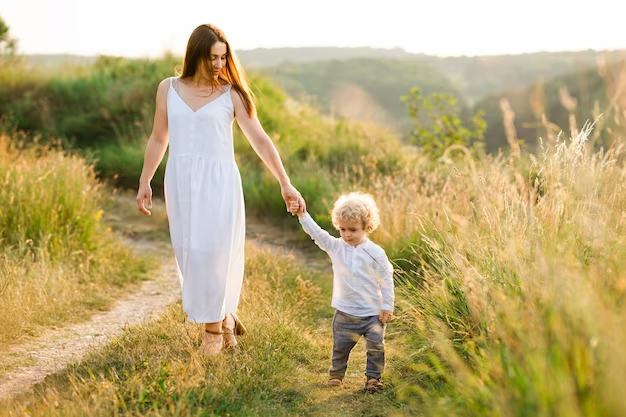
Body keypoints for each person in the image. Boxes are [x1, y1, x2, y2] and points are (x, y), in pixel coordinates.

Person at [136, 24, 305, 357]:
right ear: (195, 54)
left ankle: (212, 333)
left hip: (220, 183)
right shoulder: (167, 89)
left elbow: (260, 139)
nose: (218, 63)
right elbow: (159, 138)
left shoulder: (232, 94)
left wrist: (285, 183)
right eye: (212, 56)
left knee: (215, 253)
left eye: (223, 57)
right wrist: (145, 181)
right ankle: (226, 317)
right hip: (180, 181)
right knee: (190, 254)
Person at [289, 191, 394, 393]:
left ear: (367, 227)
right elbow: (317, 233)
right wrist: (302, 214)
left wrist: (387, 306)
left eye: (353, 230)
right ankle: (337, 375)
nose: (346, 235)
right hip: (345, 313)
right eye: (343, 229)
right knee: (340, 347)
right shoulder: (336, 247)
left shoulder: (375, 253)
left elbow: (386, 280)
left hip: (372, 314)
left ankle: (373, 379)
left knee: (376, 348)